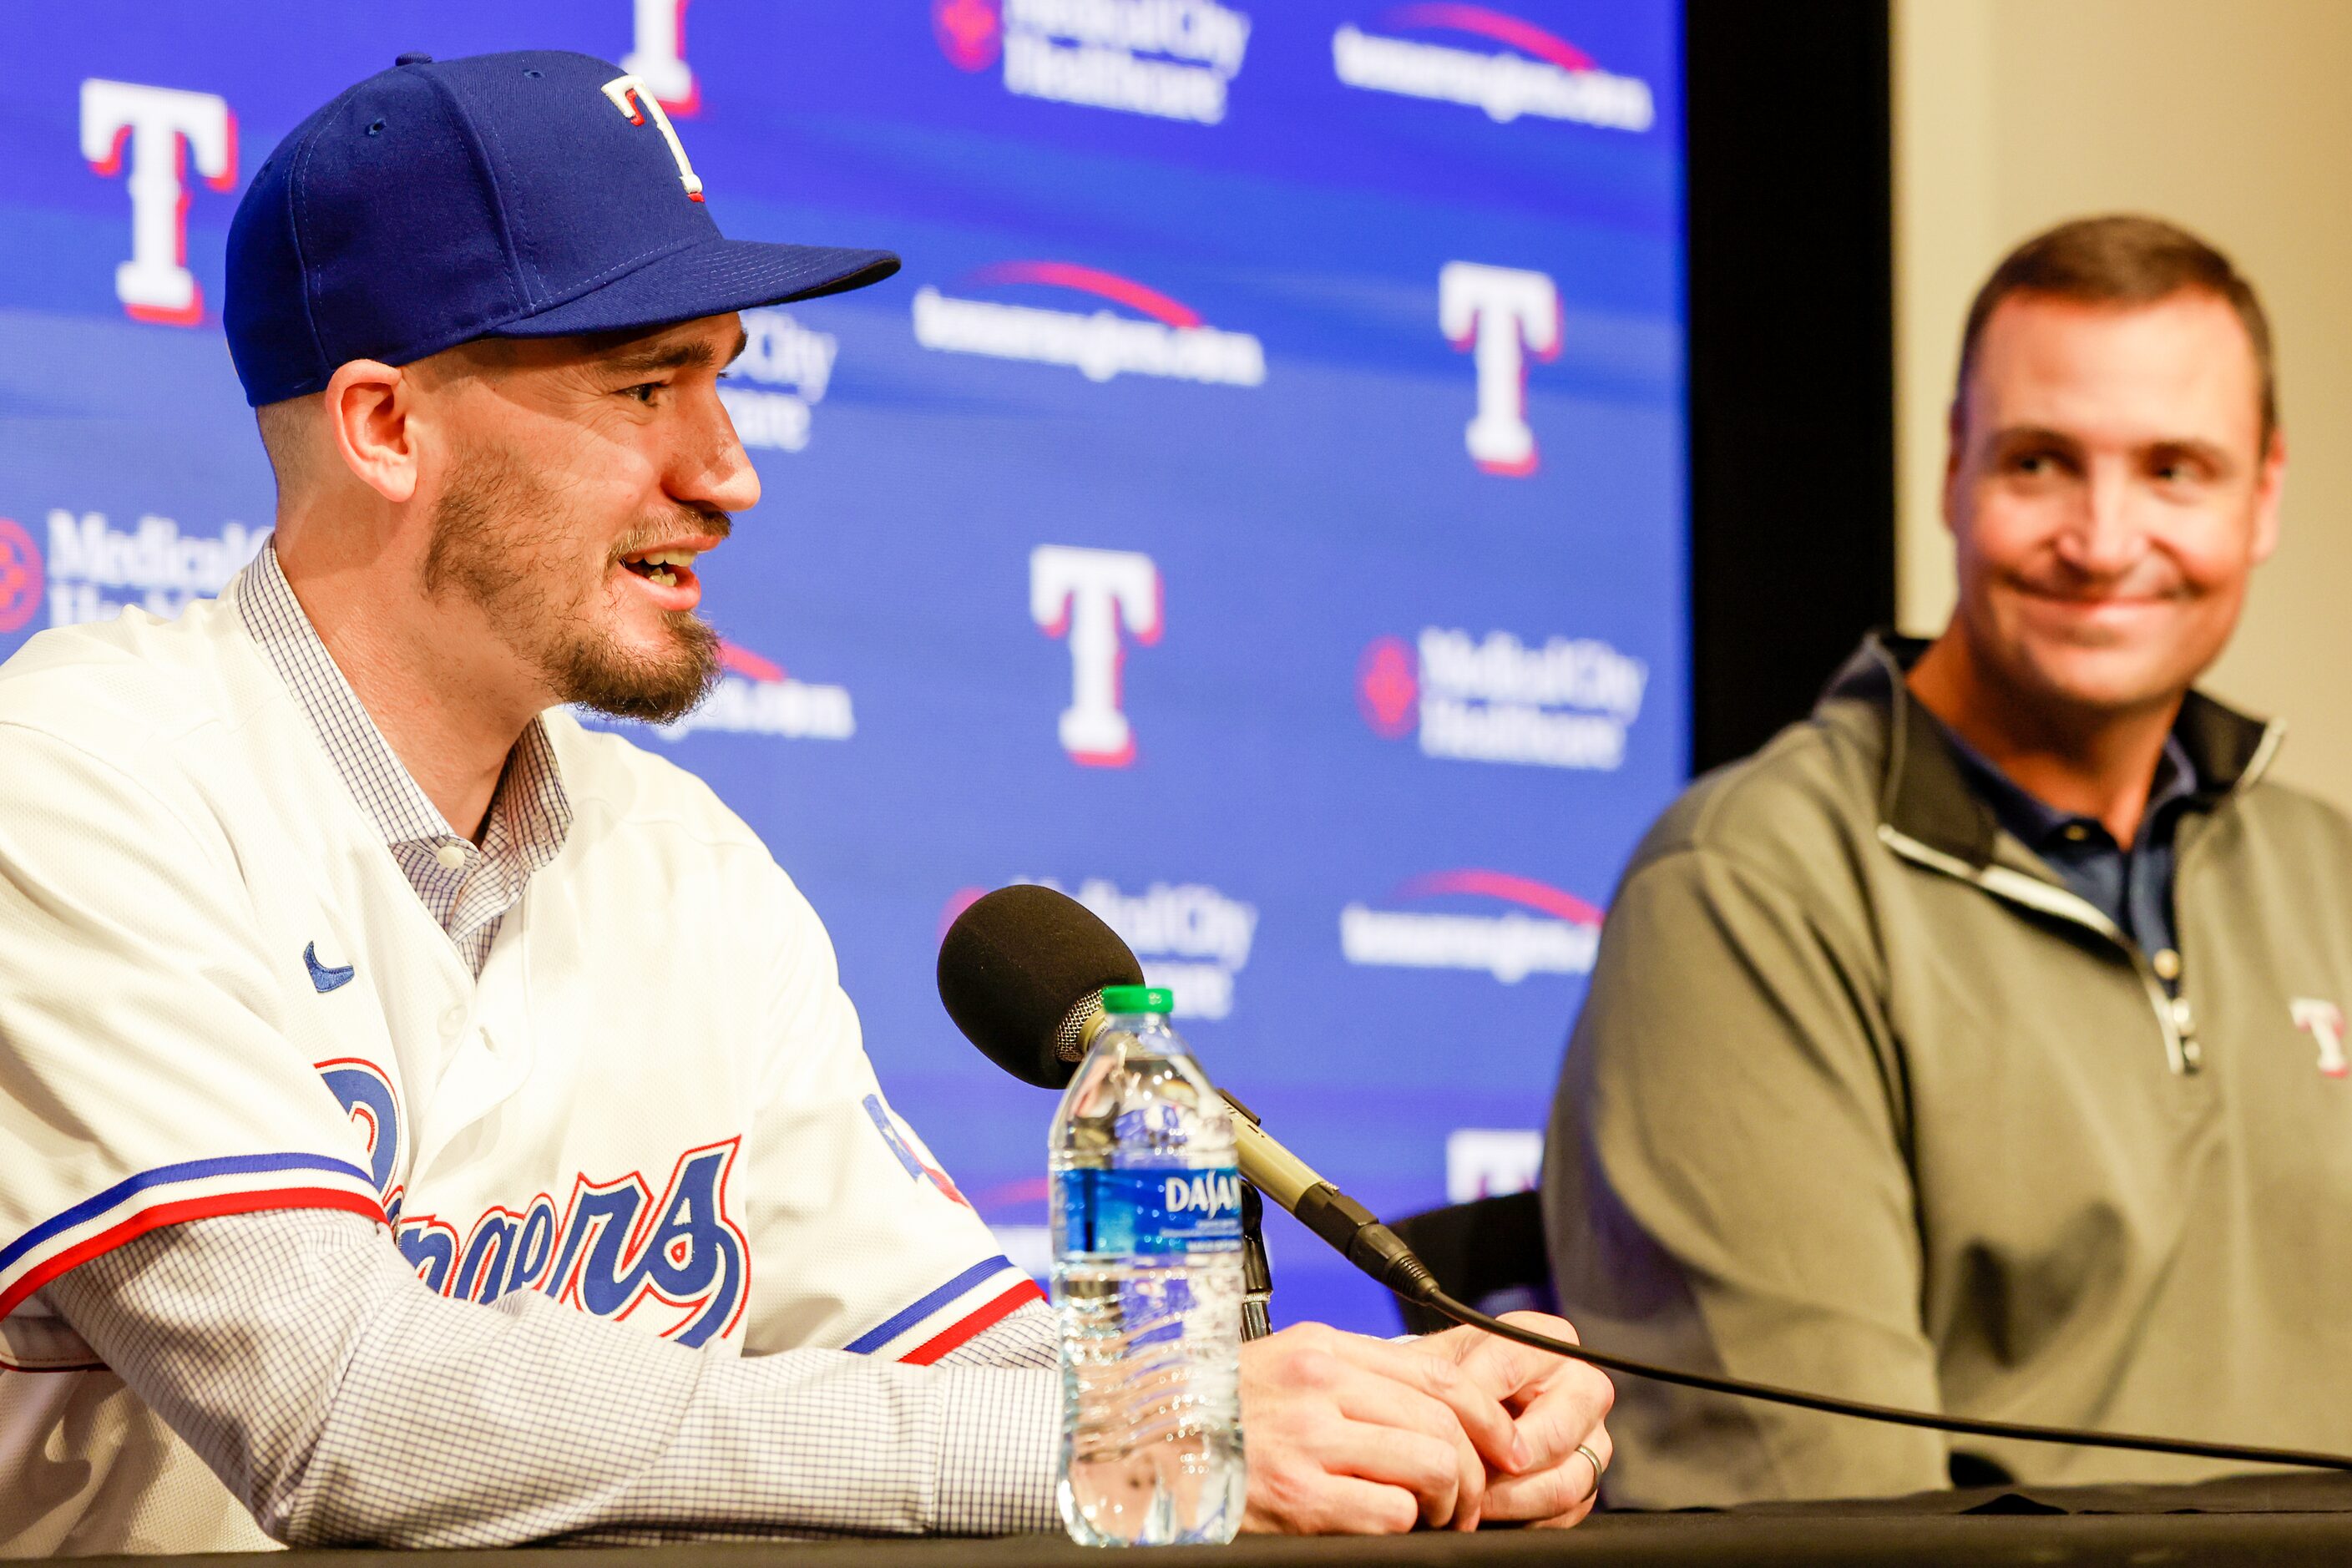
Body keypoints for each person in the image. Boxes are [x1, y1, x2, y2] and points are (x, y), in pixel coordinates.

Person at [0, 51, 1613, 1555]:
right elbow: (341, 1410)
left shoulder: (683, 863)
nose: (728, 468)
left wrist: (1393, 1399)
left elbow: (956, 1346)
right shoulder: (80, 777)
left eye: (723, 382)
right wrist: (1122, 1437)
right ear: (381, 425)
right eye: (644, 389)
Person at [1545, 213, 2352, 1508]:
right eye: (2039, 463)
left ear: (2261, 496)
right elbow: (1831, 1523)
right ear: (1950, 473)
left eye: (2173, 469)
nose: (2101, 537)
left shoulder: (2329, 873)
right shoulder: (1745, 890)